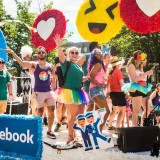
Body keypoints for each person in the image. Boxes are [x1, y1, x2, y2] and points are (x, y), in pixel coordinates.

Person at [5, 46, 56, 139]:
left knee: (51, 111)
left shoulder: (50, 66)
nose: (41, 54)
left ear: (46, 53)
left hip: (49, 91)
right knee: (39, 112)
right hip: (39, 92)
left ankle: (49, 131)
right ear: (37, 54)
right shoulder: (34, 65)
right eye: (39, 52)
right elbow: (22, 63)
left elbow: (55, 75)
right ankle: (37, 130)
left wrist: (55, 77)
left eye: (43, 52)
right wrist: (12, 53)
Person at [54, 34, 88, 146]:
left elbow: (76, 78)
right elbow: (60, 56)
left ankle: (76, 136)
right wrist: (59, 46)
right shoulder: (66, 63)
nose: (74, 54)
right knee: (74, 115)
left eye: (76, 52)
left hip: (79, 92)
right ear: (68, 54)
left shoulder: (78, 66)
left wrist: (85, 78)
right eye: (72, 52)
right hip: (69, 92)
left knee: (80, 116)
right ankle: (70, 137)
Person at [123, 50, 153, 127]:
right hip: (135, 88)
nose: (142, 60)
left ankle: (143, 125)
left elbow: (141, 77)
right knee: (136, 110)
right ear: (137, 57)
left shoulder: (139, 66)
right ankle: (134, 128)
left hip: (143, 87)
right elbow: (134, 79)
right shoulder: (131, 66)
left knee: (148, 109)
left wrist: (147, 74)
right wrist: (146, 73)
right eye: (141, 57)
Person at [88, 48, 110, 132]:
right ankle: (98, 131)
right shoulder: (97, 64)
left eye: (101, 53)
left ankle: (94, 131)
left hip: (99, 89)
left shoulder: (100, 64)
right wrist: (99, 84)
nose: (100, 54)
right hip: (95, 90)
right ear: (94, 56)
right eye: (97, 54)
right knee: (107, 111)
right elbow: (90, 77)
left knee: (98, 113)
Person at [77, 42, 99, 112]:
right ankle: (89, 122)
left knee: (98, 105)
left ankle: (97, 122)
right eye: (98, 47)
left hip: (98, 84)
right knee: (90, 105)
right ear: (95, 48)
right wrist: (81, 77)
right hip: (88, 84)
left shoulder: (99, 58)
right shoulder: (86, 56)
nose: (100, 49)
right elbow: (76, 66)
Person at [107, 56, 126, 131]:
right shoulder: (118, 71)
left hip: (112, 93)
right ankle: (118, 128)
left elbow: (108, 85)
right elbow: (122, 84)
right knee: (122, 111)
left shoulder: (110, 72)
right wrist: (128, 91)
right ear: (118, 64)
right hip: (119, 93)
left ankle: (110, 125)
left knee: (114, 110)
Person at [54, 50, 67, 132]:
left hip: (70, 87)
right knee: (59, 105)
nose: (64, 55)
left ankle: (67, 122)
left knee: (67, 106)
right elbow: (55, 74)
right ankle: (58, 123)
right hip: (61, 87)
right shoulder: (57, 61)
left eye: (65, 54)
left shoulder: (69, 63)